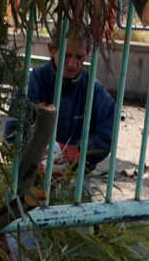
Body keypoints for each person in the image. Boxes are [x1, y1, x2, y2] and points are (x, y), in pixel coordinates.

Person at [21, 37, 119, 204]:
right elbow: (14, 129)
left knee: (79, 212)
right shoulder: (33, 81)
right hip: (32, 173)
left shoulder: (94, 90)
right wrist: (35, 156)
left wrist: (80, 150)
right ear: (51, 49)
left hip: (75, 174)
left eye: (79, 57)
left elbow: (106, 136)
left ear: (87, 54)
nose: (72, 64)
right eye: (66, 56)